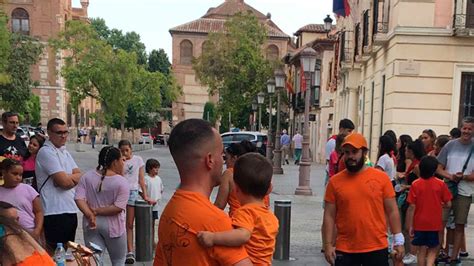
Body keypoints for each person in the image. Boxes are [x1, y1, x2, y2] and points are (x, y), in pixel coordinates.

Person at [153, 119, 251, 266]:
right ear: (210, 160)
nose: (223, 161)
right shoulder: (215, 222)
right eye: (221, 155)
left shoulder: (168, 214)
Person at [323, 133, 404, 266]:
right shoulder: (334, 182)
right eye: (347, 152)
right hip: (345, 248)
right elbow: (329, 215)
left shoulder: (381, 178)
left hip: (376, 246)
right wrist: (327, 245)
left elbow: (392, 211)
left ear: (364, 152)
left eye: (355, 152)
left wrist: (398, 240)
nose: (350, 156)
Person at [197, 153, 278, 265]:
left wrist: (213, 237)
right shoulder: (272, 218)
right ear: (269, 189)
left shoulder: (245, 212)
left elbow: (243, 235)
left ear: (236, 189)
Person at [75, 146, 129, 265]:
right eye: (121, 160)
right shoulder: (121, 182)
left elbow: (78, 198)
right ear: (115, 162)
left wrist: (90, 214)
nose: (123, 163)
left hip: (91, 224)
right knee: (118, 260)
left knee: (95, 260)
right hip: (114, 227)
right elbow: (118, 208)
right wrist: (97, 211)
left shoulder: (87, 177)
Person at [35, 118, 82, 250]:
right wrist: (68, 179)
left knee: (67, 254)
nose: (63, 136)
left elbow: (80, 175)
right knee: (55, 255)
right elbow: (64, 183)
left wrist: (67, 178)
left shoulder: (64, 152)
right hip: (53, 211)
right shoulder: (46, 152)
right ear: (49, 133)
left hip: (70, 209)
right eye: (59, 132)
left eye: (65, 132)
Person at [436, 116, 474, 264]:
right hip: (448, 189)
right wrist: (451, 176)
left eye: (470, 129)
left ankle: (454, 257)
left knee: (459, 224)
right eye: (465, 128)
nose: (467, 131)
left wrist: (463, 177)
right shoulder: (450, 145)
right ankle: (439, 252)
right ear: (460, 128)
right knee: (441, 223)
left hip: (465, 191)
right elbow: (438, 168)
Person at [406, 156, 452, 266]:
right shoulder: (440, 184)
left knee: (421, 250)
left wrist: (410, 225)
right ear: (435, 169)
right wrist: (441, 205)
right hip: (434, 223)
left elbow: (412, 206)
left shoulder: (415, 184)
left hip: (419, 222)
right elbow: (448, 203)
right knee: (432, 249)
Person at [119, 139, 150, 264]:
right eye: (122, 151)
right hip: (121, 191)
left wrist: (145, 195)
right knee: (119, 221)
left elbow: (141, 179)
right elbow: (118, 177)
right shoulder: (119, 161)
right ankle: (122, 249)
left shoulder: (138, 160)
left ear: (131, 149)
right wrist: (121, 163)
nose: (125, 153)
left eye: (127, 150)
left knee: (129, 223)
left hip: (132, 192)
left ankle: (130, 251)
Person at [0, 159, 43, 241]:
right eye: (14, 174)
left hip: (30, 233)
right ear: (4, 172)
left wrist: (37, 230)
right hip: (7, 236)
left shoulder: (28, 189)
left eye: (20, 175)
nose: (18, 177)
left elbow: (39, 212)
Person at [141, 158, 164, 247]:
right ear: (150, 169)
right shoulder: (146, 179)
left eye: (158, 168)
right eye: (155, 168)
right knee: (146, 224)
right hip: (146, 205)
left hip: (155, 206)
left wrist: (158, 198)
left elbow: (161, 189)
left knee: (152, 224)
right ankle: (145, 241)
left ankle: (152, 241)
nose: (157, 170)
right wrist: (146, 199)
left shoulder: (158, 179)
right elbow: (141, 191)